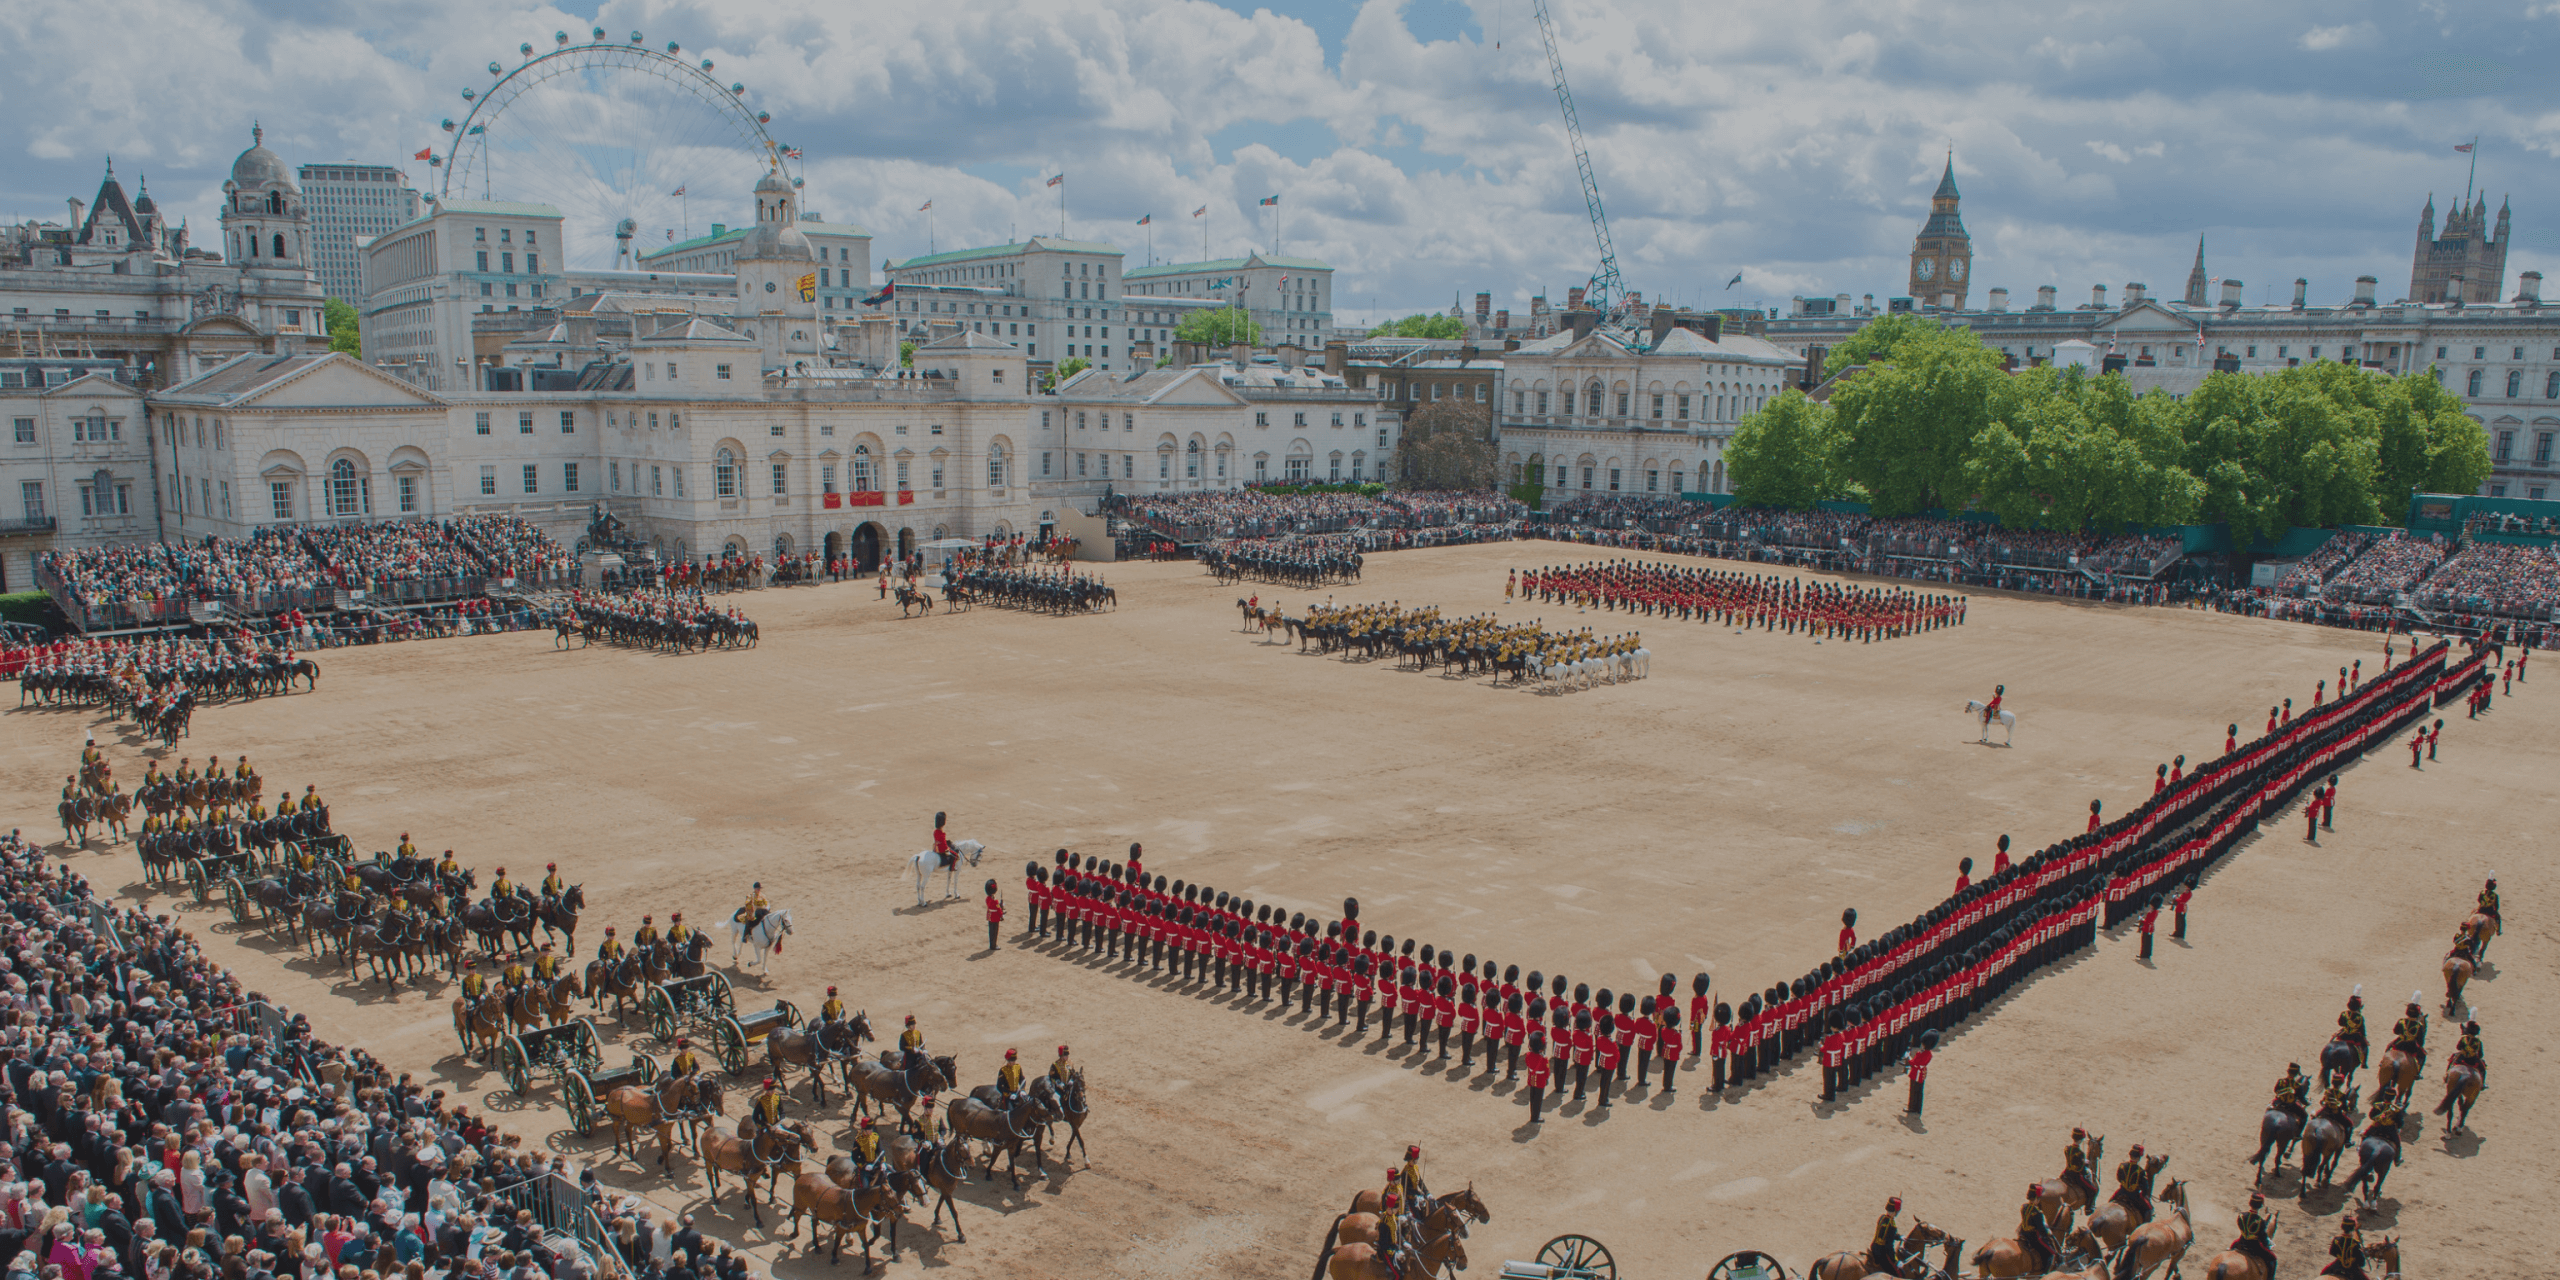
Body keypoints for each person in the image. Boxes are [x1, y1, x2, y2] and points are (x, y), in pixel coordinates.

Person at [2232, 1192, 2279, 1279]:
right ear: (2260, 1205)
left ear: (2250, 1203)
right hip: (2255, 1247)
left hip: (2241, 1242)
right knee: (2273, 1259)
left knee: (2230, 1249)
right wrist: (2267, 1244)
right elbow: (2263, 1238)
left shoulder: (2241, 1216)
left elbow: (2241, 1227)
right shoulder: (2260, 1221)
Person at [2018, 1188, 2056, 1273]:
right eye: (2039, 1199)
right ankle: (2044, 1274)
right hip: (2033, 1237)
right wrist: (2048, 1233)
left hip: (2023, 1233)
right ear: (2036, 1199)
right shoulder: (2038, 1212)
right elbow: (2041, 1230)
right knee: (2051, 1253)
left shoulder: (2024, 1207)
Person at [2111, 1145, 2153, 1223]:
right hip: (2134, 1196)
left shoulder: (2122, 1166)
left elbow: (2118, 1178)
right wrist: (2142, 1193)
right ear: (2139, 1158)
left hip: (2121, 1192)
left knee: (2110, 1203)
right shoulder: (2140, 1171)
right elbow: (2145, 1188)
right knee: (2149, 1210)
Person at [1867, 1198, 1906, 1278]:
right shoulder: (1892, 1225)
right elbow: (1889, 1246)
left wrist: (1898, 1236)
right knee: (1898, 1274)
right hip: (1882, 1253)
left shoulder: (1882, 1218)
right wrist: (1896, 1261)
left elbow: (1884, 1234)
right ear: (1895, 1211)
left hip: (1874, 1247)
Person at [2320, 1212, 2364, 1279]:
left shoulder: (2336, 1239)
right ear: (2353, 1228)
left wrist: (2340, 1257)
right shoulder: (2355, 1243)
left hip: (2337, 1265)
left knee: (2323, 1273)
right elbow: (2361, 1262)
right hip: (2352, 1269)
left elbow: (2332, 1252)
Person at [2062, 1128, 2098, 1204]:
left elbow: (2071, 1160)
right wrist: (2084, 1162)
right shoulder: (2080, 1153)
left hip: (2066, 1173)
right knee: (2093, 1190)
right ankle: (2089, 1207)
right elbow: (2080, 1169)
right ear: (2081, 1140)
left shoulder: (2067, 1149)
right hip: (2075, 1176)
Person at [2337, 989, 2368, 1069]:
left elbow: (2340, 1023)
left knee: (2332, 1039)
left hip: (2344, 1035)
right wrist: (2364, 1037)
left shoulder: (2344, 1014)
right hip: (2355, 1037)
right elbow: (2362, 1030)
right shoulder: (2360, 1017)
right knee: (2365, 1047)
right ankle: (2364, 1063)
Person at [2451, 1020, 2485, 1089]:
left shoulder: (2464, 1039)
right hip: (2473, 1060)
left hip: (2462, 1058)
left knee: (2452, 1061)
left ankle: (2447, 1076)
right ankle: (2482, 1084)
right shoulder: (2478, 1042)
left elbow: (2458, 1047)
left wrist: (2465, 1048)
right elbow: (2480, 1055)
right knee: (2483, 1070)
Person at [983, 878, 1005, 952]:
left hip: (990, 916)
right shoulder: (995, 901)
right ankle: (993, 945)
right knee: (995, 932)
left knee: (991, 931)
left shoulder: (988, 898)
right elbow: (998, 909)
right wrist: (1001, 915)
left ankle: (991, 944)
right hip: (995, 917)